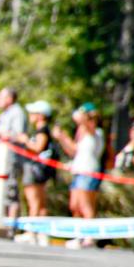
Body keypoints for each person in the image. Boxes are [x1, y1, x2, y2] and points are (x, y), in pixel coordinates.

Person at [53, 103, 105, 248]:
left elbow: (89, 125)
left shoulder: (96, 132)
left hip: (89, 172)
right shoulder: (82, 133)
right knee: (74, 205)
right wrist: (62, 138)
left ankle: (89, 237)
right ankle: (78, 235)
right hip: (78, 171)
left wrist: (82, 118)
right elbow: (74, 151)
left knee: (86, 206)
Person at [0, 87, 28, 224]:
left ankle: (10, 226)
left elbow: (19, 136)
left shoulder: (17, 112)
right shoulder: (4, 114)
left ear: (9, 99)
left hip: (9, 159)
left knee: (9, 192)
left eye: (0, 97)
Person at [18, 100, 56, 219]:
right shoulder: (42, 130)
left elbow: (38, 148)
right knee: (39, 203)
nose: (30, 115)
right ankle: (39, 228)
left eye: (33, 113)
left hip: (36, 170)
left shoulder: (42, 130)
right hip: (39, 170)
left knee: (34, 202)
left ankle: (32, 228)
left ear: (41, 115)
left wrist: (25, 141)